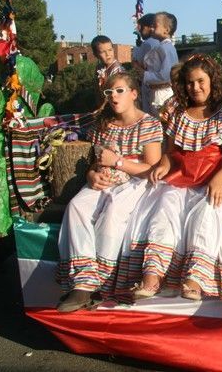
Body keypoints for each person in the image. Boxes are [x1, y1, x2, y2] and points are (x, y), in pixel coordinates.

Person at [117, 54, 222, 302]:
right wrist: (163, 164)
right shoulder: (176, 110)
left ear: (212, 80)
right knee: (163, 207)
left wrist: (219, 179)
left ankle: (194, 278)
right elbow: (170, 152)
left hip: (217, 174)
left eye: (201, 81)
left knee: (208, 211)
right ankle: (152, 276)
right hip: (182, 174)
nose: (195, 87)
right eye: (189, 82)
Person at [56, 72, 163, 312]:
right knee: (76, 206)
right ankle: (83, 282)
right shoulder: (102, 125)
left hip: (135, 181)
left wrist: (118, 162)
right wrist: (91, 175)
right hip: (104, 179)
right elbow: (96, 162)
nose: (113, 96)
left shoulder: (149, 124)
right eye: (109, 92)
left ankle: (102, 284)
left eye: (119, 90)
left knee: (114, 210)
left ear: (134, 93)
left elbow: (152, 169)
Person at [142, 11, 179, 116]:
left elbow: (166, 74)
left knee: (161, 120)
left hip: (162, 93)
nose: (151, 28)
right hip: (157, 91)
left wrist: (144, 75)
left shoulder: (166, 48)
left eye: (155, 26)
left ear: (166, 30)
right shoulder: (162, 47)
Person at [91, 35, 126, 109]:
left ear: (113, 49)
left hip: (116, 107)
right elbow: (97, 89)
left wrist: (102, 107)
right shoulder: (99, 68)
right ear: (95, 55)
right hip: (103, 106)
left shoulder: (117, 70)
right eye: (103, 52)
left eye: (110, 50)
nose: (108, 54)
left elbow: (116, 94)